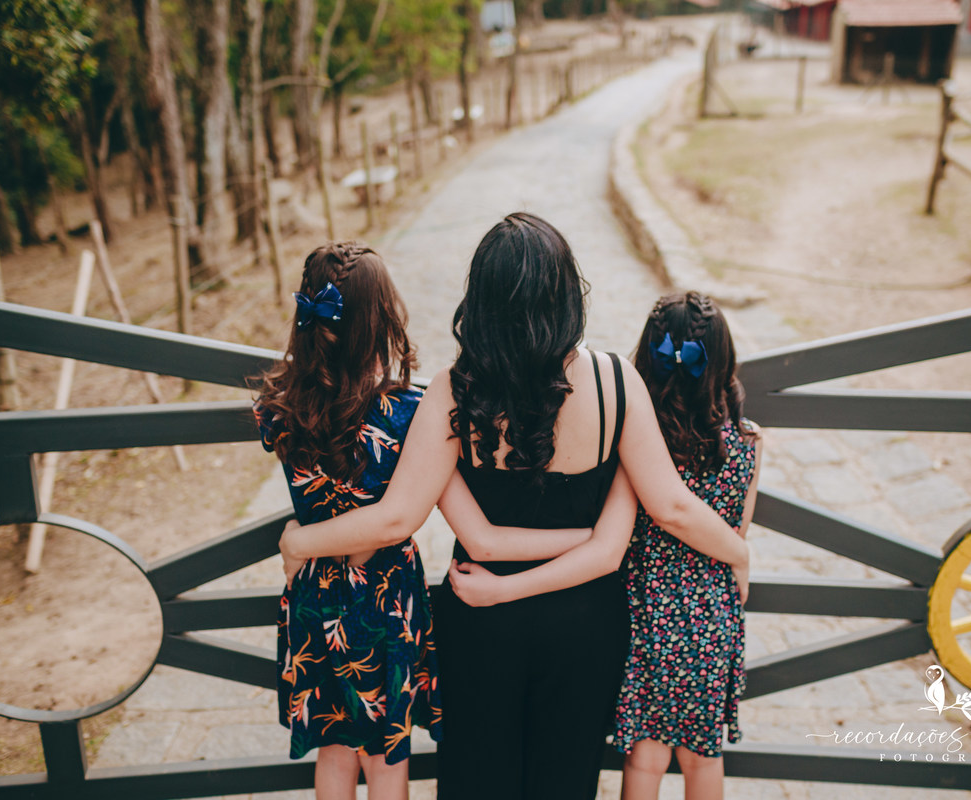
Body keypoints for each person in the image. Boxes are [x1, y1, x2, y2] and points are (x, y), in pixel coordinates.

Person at [278, 213, 751, 800]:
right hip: (585, 622)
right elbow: (673, 510)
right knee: (564, 778)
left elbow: (400, 517)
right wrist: (738, 552)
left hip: (480, 618)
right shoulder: (614, 381)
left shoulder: (454, 389)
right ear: (565, 295)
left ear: (479, 302)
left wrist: (299, 540)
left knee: (480, 779)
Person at [254, 242, 442, 800]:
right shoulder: (406, 411)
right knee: (386, 759)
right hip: (384, 601)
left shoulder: (279, 408)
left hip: (314, 596)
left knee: (335, 750)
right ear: (379, 320)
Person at [614, 292, 761, 800]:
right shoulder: (748, 441)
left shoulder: (635, 439)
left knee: (646, 756)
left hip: (646, 609)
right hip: (712, 612)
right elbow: (738, 532)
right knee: (703, 757)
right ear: (722, 358)